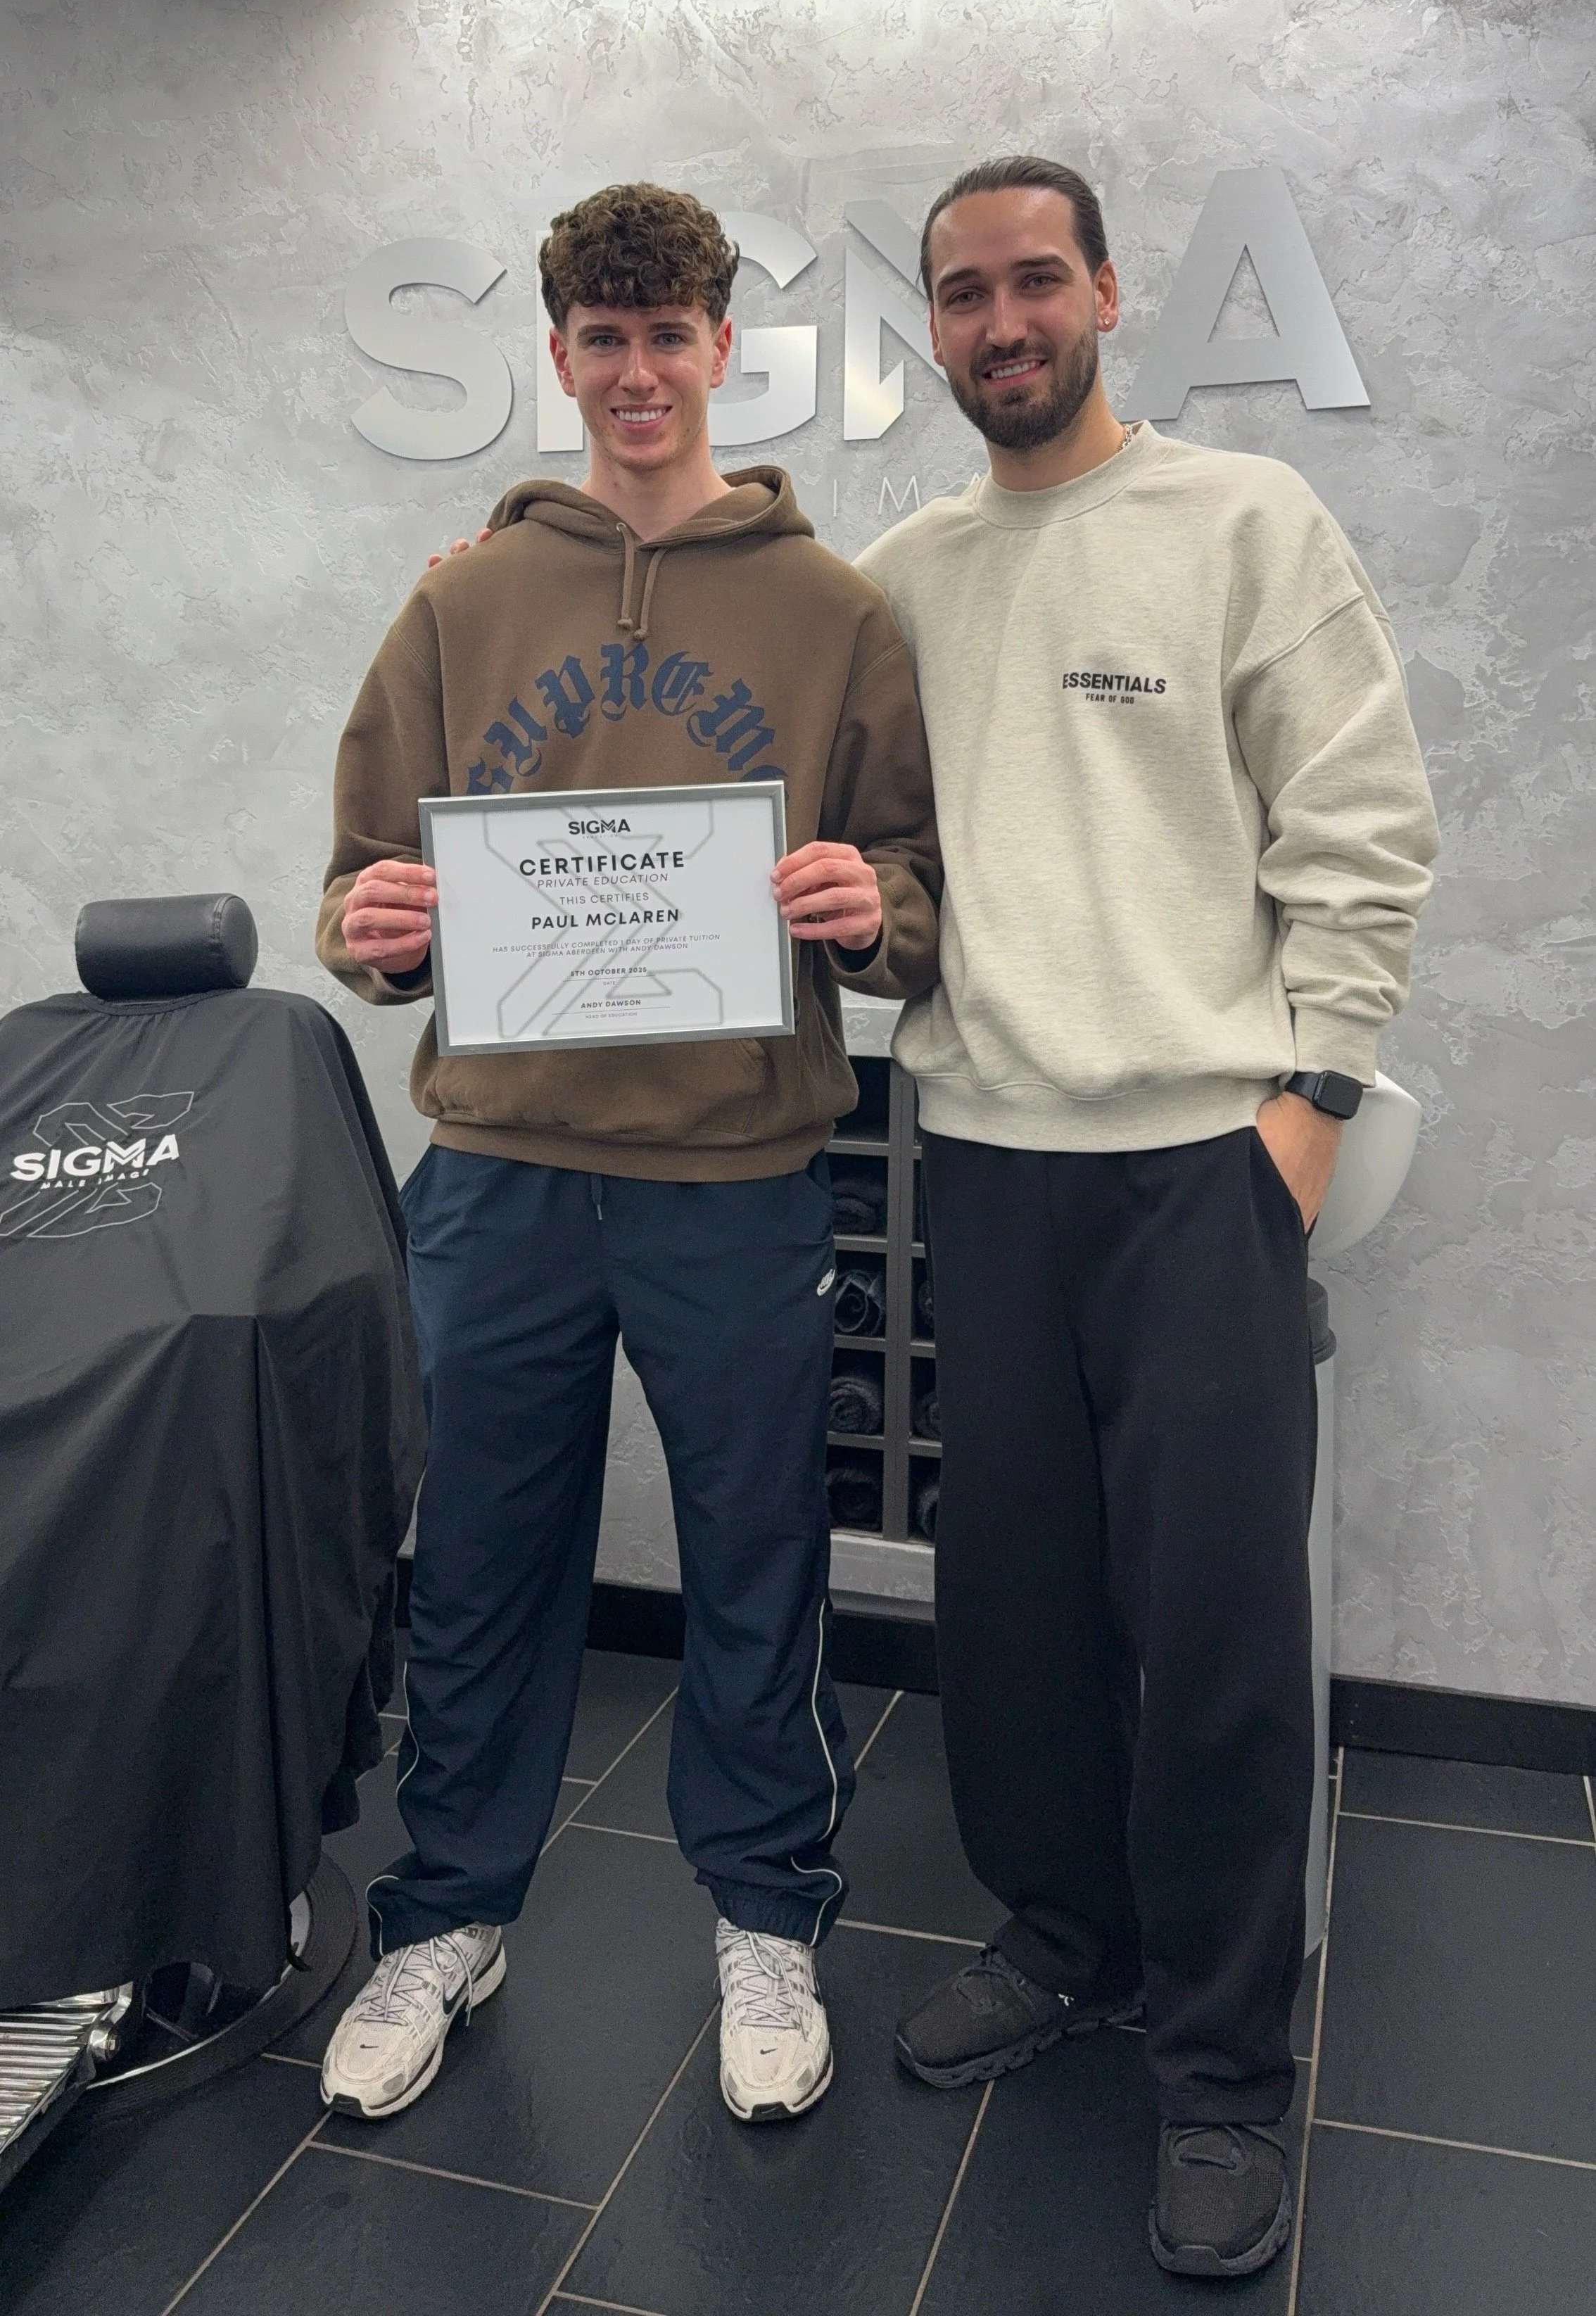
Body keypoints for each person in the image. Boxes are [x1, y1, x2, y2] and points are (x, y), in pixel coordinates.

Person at [856, 154, 1437, 2281]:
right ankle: (1066, 1934)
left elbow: (1360, 822)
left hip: (1205, 1167)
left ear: (1104, 292)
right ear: (933, 325)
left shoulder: (1242, 525)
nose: (1002, 322)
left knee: (1212, 1633)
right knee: (1010, 1603)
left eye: (1037, 280)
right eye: (963, 293)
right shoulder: (903, 579)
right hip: (987, 1158)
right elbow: (863, 855)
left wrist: (1307, 1104)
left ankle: (1218, 2062)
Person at [314, 182, 939, 2131]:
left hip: (738, 1166)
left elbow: (914, 877)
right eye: (605, 337)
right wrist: (373, 931)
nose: (639, 371)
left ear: (722, 347)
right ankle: (447, 1915)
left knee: (757, 1557)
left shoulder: (834, 611)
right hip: (499, 1167)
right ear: (561, 354)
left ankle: (765, 1915)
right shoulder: (460, 602)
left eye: (671, 335)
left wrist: (875, 912)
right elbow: (360, 881)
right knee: (481, 1559)